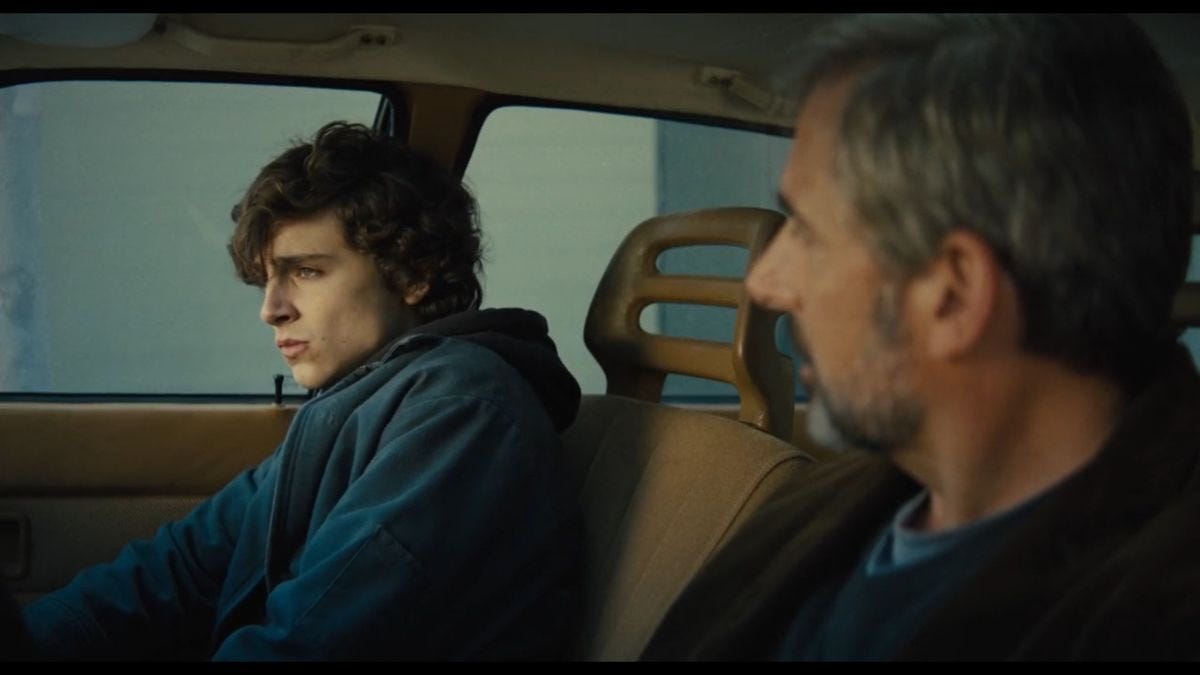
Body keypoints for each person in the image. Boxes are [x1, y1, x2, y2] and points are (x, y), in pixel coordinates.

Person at [642, 14, 1199, 659]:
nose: (765, 283)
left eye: (808, 233)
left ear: (954, 294)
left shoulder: (1155, 620)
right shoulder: (817, 506)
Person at [21, 122, 583, 659]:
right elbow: (184, 566)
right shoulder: (360, 403)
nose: (271, 309)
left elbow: (311, 643)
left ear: (415, 274)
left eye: (306, 271)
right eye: (266, 279)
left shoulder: (461, 411)